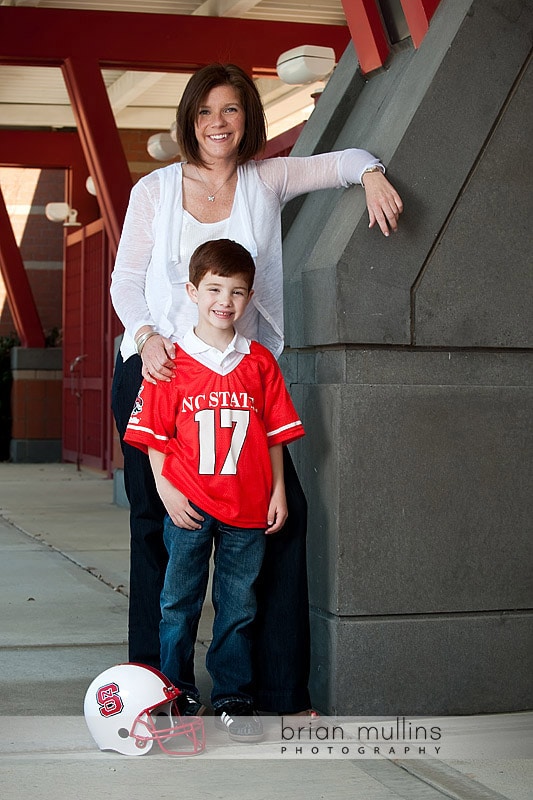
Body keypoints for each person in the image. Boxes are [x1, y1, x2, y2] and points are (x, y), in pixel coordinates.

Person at [110, 62, 403, 715]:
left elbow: (342, 161)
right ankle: (155, 689)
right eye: (207, 110)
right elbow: (127, 281)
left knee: (274, 521)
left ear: (248, 119)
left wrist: (372, 174)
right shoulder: (156, 189)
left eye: (232, 110)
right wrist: (148, 334)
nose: (218, 122)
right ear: (189, 117)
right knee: (158, 528)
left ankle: (270, 689)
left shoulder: (265, 179)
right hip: (160, 371)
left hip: (242, 380)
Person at [123, 239, 305, 742]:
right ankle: (175, 691)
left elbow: (272, 436)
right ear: (193, 291)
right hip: (189, 505)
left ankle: (232, 695)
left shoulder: (260, 362)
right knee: (178, 601)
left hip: (248, 505)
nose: (225, 301)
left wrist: (279, 492)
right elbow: (152, 439)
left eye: (238, 292)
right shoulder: (171, 362)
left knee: (238, 604)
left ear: (249, 298)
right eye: (214, 289)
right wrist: (166, 491)